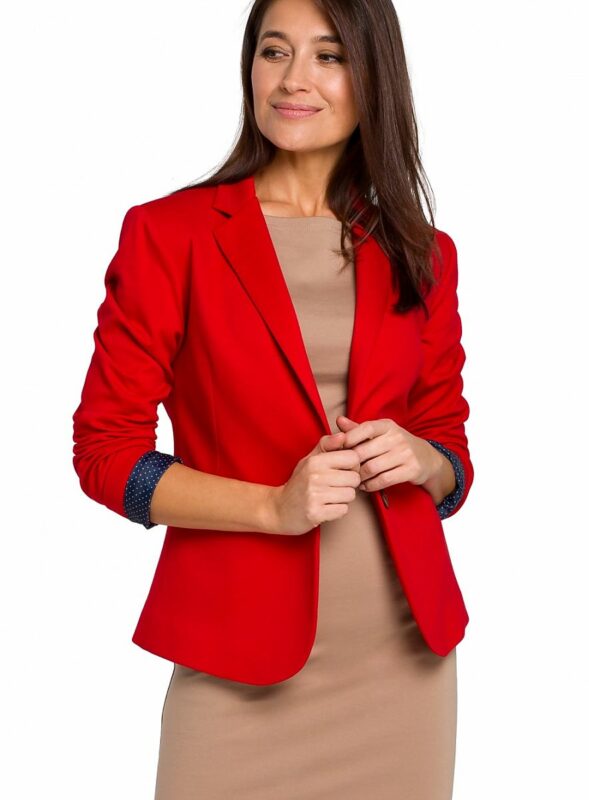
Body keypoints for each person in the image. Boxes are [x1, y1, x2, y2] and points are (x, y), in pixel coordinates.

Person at [72, 0, 475, 797]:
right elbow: (105, 454)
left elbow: (451, 455)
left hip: (402, 658)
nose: (294, 79)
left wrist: (423, 459)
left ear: (373, 77)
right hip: (235, 662)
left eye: (329, 56)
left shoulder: (423, 251)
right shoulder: (170, 234)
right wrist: (272, 507)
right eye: (273, 51)